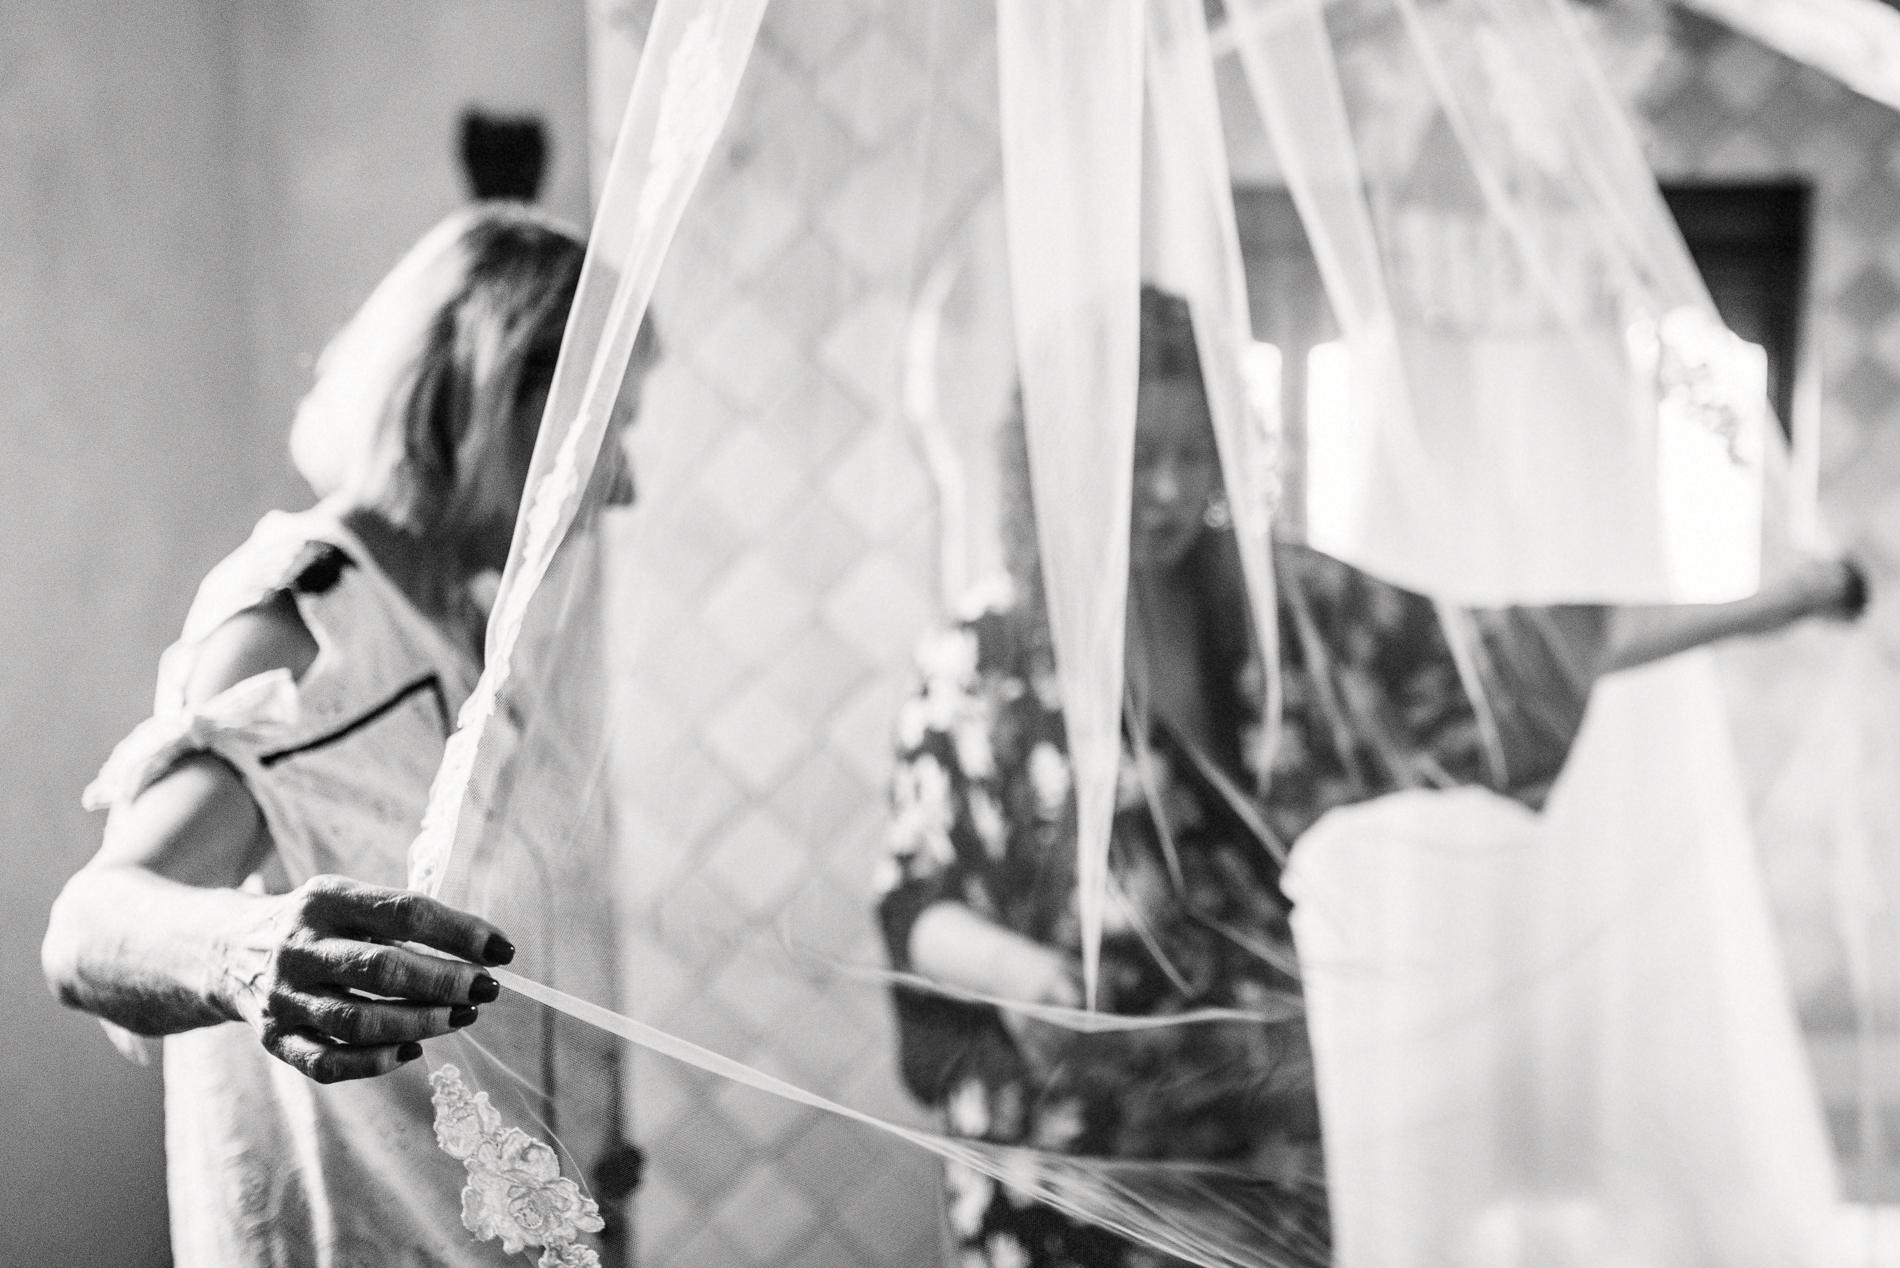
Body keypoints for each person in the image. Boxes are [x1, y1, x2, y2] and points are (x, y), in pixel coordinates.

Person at [875, 284, 1867, 1268]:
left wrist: (1775, 601)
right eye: (1139, 458)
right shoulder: (983, 657)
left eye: (1195, 452)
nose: (1173, 489)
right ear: (1063, 454)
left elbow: (1514, 657)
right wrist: (1025, 977)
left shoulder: (1284, 612)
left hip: (1260, 1139)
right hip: (1060, 1163)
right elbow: (916, 899)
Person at [41, 204, 654, 1267]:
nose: (626, 482)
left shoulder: (463, 633)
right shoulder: (309, 618)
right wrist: (248, 953)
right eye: (610, 423)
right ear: (493, 395)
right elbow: (89, 925)